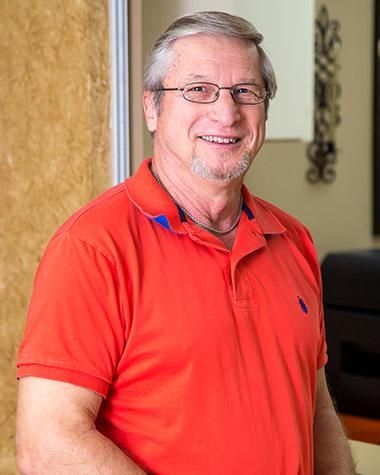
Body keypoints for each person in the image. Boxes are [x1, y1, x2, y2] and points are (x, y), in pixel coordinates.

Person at [16, 11, 354, 475]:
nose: (226, 112)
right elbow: (49, 444)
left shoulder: (293, 240)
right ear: (152, 108)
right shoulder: (93, 247)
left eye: (245, 92)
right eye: (198, 90)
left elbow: (314, 409)